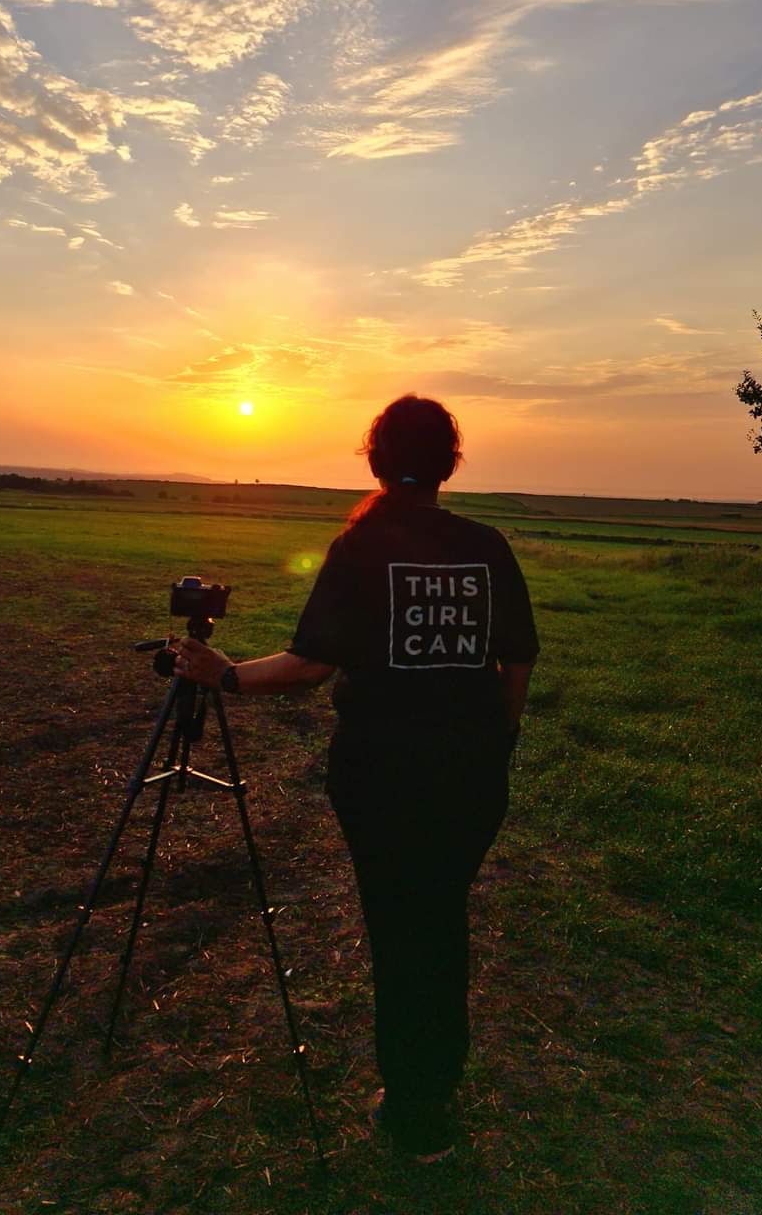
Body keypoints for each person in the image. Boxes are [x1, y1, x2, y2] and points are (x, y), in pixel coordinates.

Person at [174, 394, 539, 1162]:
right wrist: (497, 742)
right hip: (472, 778)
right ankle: (429, 1090)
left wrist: (226, 677)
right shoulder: (487, 546)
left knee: (404, 933)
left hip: (383, 777)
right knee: (439, 921)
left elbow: (309, 666)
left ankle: (415, 1112)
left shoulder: (361, 547)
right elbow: (517, 659)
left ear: (375, 460)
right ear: (451, 464)